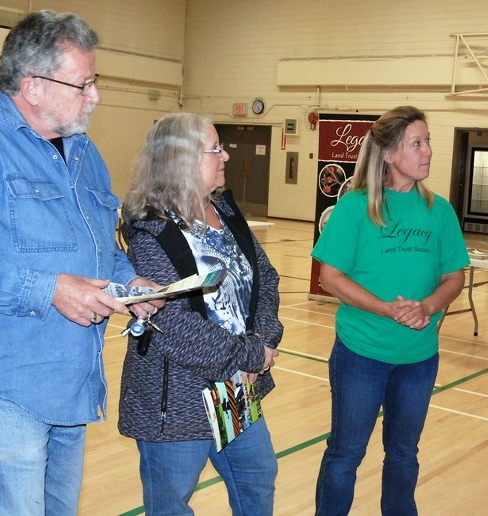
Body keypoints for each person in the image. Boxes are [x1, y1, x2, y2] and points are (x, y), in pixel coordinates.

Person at [0, 11, 163, 515]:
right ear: (32, 86)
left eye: (95, 82)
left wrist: (128, 280)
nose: (96, 96)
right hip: (4, 383)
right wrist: (49, 289)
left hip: (71, 381)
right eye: (84, 84)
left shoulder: (84, 152)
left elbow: (98, 247)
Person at [118, 112, 282, 515]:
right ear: (181, 159)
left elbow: (265, 278)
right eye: (215, 149)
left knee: (257, 481)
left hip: (235, 390)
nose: (225, 156)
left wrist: (262, 341)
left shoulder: (224, 211)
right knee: (171, 504)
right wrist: (248, 354)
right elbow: (172, 323)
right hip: (175, 400)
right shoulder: (149, 228)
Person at [312, 105, 470, 515]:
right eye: (417, 143)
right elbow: (331, 277)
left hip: (418, 360)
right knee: (346, 453)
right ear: (388, 153)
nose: (429, 151)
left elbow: (454, 276)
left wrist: (428, 307)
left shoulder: (440, 212)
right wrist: (386, 309)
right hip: (360, 355)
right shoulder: (355, 207)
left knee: (404, 455)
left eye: (428, 141)